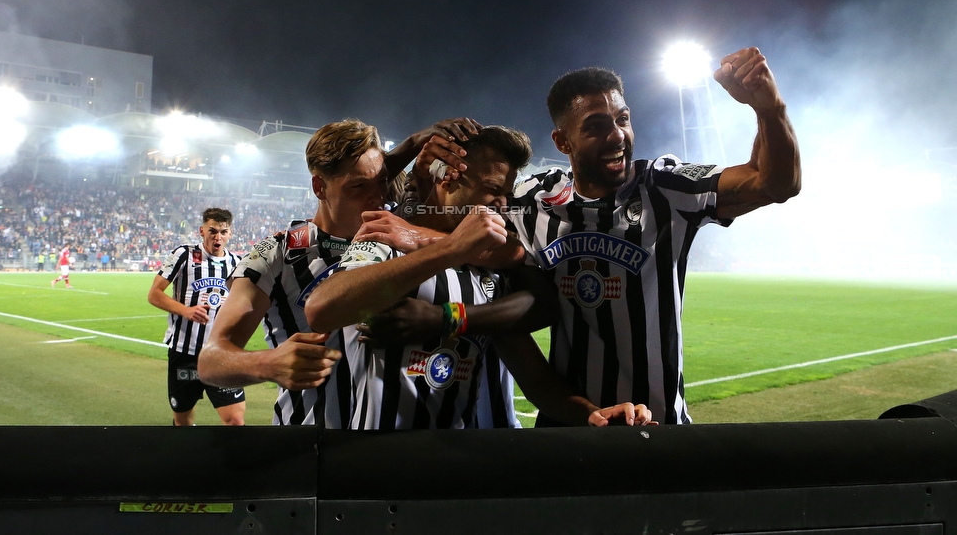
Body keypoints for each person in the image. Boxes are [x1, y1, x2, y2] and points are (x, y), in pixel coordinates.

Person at [507, 47, 801, 425]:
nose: (617, 136)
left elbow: (774, 184)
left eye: (623, 119)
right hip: (568, 432)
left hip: (659, 430)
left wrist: (769, 108)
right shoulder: (532, 199)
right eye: (596, 126)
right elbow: (459, 211)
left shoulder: (662, 186)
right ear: (562, 142)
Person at [305, 126, 654, 430]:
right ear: (447, 177)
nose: (502, 204)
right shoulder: (387, 237)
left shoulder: (491, 269)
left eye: (507, 193)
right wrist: (450, 249)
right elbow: (321, 308)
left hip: (462, 468)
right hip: (381, 468)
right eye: (491, 189)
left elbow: (533, 375)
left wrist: (594, 414)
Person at [197, 118, 486, 427]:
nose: (378, 197)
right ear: (319, 187)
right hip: (309, 444)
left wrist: (416, 144)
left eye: (383, 182)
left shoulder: (399, 235)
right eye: (358, 187)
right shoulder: (277, 253)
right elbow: (210, 362)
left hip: (392, 445)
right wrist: (264, 363)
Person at [148, 207, 244, 426]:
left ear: (229, 234)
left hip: (221, 354)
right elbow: (154, 294)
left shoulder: (236, 264)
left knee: (236, 420)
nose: (218, 237)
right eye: (212, 231)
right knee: (183, 421)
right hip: (185, 354)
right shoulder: (183, 255)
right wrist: (186, 310)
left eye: (223, 231)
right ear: (202, 231)